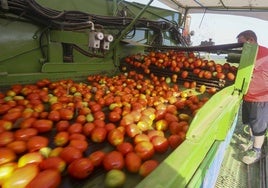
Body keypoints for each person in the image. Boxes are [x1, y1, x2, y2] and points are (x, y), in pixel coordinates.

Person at [236, 30, 268, 165]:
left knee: (259, 126)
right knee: (250, 122)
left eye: (241, 43)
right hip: (247, 96)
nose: (239, 47)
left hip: (261, 99)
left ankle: (257, 150)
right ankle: (251, 141)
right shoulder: (245, 55)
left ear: (250, 41)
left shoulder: (265, 53)